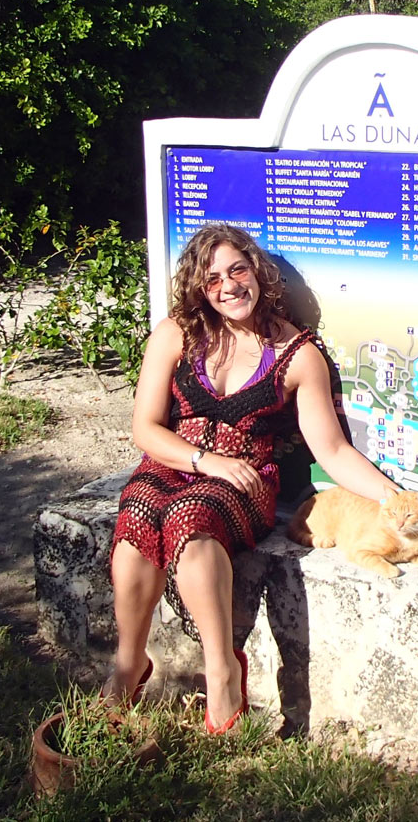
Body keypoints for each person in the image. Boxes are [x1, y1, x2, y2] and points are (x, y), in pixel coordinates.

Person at [102, 223, 398, 733]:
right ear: (199, 287)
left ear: (257, 272)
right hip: (176, 462)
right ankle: (128, 663)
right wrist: (204, 460)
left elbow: (331, 449)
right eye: (212, 278)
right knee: (137, 523)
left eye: (237, 270)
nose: (229, 286)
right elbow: (145, 429)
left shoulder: (297, 354)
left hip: (245, 479)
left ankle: (222, 672)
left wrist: (395, 499)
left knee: (191, 521)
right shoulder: (174, 334)